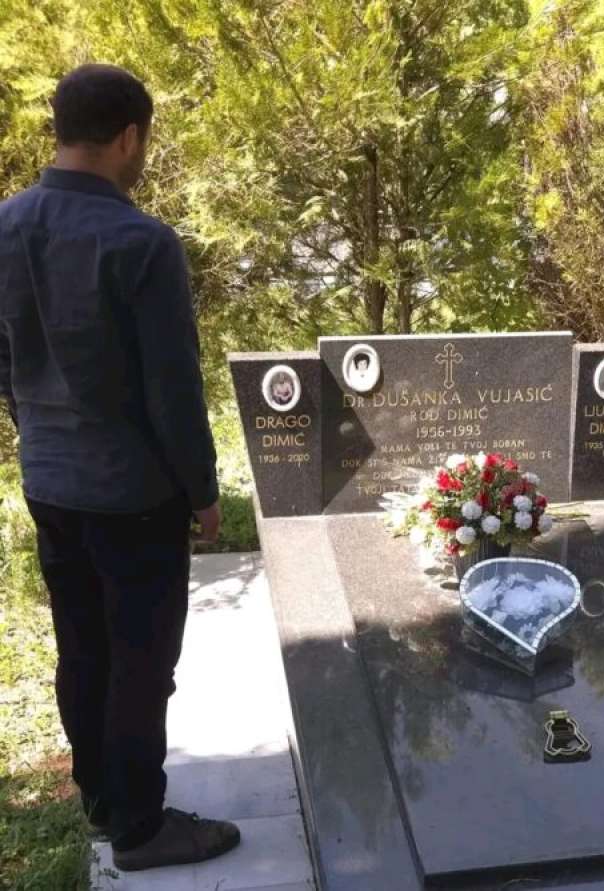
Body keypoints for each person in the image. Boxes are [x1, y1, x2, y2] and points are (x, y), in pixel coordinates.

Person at [0, 65, 241, 869]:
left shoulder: (6, 225)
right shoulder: (141, 242)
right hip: (134, 494)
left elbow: (5, 360)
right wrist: (203, 492)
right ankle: (140, 829)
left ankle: (102, 798)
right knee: (140, 662)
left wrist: (38, 430)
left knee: (81, 648)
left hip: (50, 482)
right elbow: (173, 389)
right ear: (129, 137)